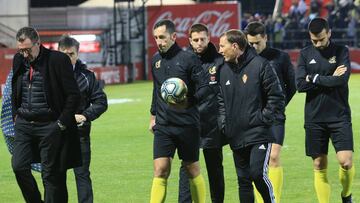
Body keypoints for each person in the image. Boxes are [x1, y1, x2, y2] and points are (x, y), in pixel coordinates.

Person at [11, 27, 81, 203]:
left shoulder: (57, 60)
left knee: (50, 175)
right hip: (24, 124)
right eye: (21, 50)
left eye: (28, 49)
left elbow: (73, 95)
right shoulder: (18, 59)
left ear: (38, 43)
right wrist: (15, 116)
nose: (24, 54)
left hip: (50, 125)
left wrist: (61, 124)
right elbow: (15, 90)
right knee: (18, 166)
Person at [218, 29, 284, 203]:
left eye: (222, 46)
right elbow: (221, 100)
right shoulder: (223, 70)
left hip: (258, 133)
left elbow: (276, 96)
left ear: (234, 46)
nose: (220, 50)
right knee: (244, 181)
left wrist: (263, 120)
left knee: (257, 173)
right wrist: (225, 124)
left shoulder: (261, 64)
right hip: (235, 134)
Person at [148, 19, 209, 203]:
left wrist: (188, 101)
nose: (159, 42)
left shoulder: (188, 59)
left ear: (173, 36)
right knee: (160, 169)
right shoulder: (155, 60)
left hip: (186, 124)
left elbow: (204, 87)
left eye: (162, 37)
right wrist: (152, 116)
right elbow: (156, 89)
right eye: (156, 38)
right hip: (164, 125)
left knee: (192, 169)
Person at [295, 17, 355, 203]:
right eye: (314, 40)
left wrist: (312, 78)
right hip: (314, 118)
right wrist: (326, 78)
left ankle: (346, 195)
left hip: (339, 116)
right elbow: (299, 85)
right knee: (319, 164)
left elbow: (341, 80)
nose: (318, 43)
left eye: (321, 38)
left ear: (329, 33)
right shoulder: (305, 54)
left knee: (346, 162)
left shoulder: (341, 51)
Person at [244, 21, 296, 203]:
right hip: (252, 118)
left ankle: (275, 200)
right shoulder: (244, 59)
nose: (253, 46)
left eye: (257, 42)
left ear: (265, 37)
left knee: (273, 157)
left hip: (274, 116)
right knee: (255, 164)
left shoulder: (280, 57)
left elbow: (292, 86)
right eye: (250, 43)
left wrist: (278, 107)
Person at [178, 23, 226, 203]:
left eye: (202, 39)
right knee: (187, 167)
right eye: (195, 40)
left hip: (212, 122)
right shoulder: (182, 61)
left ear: (208, 38)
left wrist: (223, 119)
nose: (199, 43)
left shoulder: (219, 61)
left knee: (215, 168)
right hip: (189, 122)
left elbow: (224, 93)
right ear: (190, 41)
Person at [58, 35, 108, 203]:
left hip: (79, 135)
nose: (67, 58)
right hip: (55, 135)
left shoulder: (87, 76)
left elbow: (101, 102)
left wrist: (85, 115)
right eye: (63, 54)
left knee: (82, 175)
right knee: (55, 177)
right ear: (58, 53)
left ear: (77, 54)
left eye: (71, 54)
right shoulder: (48, 76)